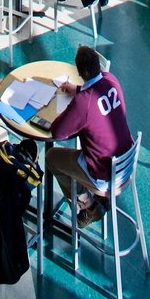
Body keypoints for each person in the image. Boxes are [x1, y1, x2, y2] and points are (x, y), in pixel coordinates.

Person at [48, 44, 134, 228]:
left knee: (51, 158)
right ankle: (97, 199)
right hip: (125, 165)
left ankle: (89, 205)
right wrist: (78, 89)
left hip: (104, 175)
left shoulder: (83, 103)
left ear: (79, 71)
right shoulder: (112, 80)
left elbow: (57, 132)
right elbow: (95, 91)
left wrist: (77, 98)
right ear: (98, 66)